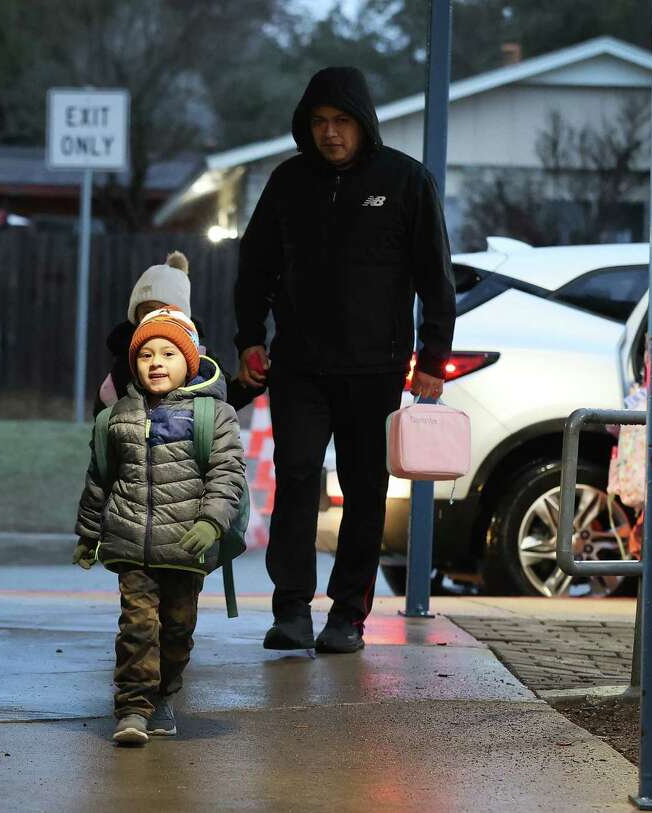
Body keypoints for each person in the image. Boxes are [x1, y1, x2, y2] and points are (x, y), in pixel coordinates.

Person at [234, 67, 456, 654]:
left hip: (375, 367)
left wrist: (433, 356)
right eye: (319, 122)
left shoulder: (407, 181)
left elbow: (436, 276)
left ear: (363, 124)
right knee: (298, 477)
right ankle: (290, 611)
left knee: (364, 490)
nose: (331, 134)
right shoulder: (288, 182)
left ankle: (347, 616)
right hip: (300, 366)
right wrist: (248, 337)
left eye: (341, 122)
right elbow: (255, 264)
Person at [74, 307, 246, 745]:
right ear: (133, 363)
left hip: (186, 548)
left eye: (168, 354)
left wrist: (211, 522)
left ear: (188, 362)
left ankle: (164, 694)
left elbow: (228, 475)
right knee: (136, 627)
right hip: (132, 544)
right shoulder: (117, 417)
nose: (156, 362)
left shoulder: (214, 415)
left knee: (176, 628)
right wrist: (89, 535)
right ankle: (132, 708)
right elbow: (100, 479)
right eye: (146, 354)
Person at [94, 251, 263, 416]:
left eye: (164, 310)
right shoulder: (126, 360)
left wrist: (245, 385)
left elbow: (223, 401)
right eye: (147, 311)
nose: (156, 317)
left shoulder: (201, 359)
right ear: (136, 316)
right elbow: (104, 414)